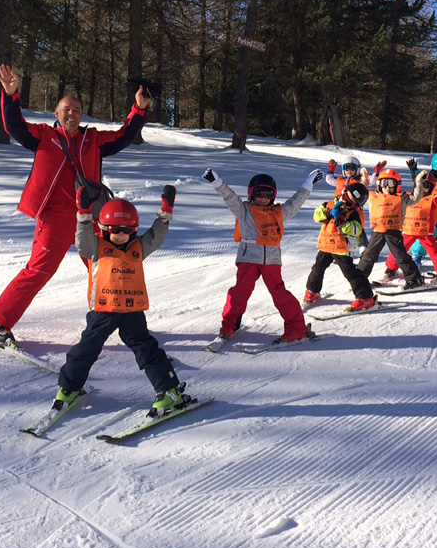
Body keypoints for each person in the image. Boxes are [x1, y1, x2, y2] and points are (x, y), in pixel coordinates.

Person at [0, 64, 149, 348]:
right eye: (65, 110)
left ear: (81, 115)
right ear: (56, 115)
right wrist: (11, 95)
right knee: (38, 269)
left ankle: (108, 317)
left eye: (75, 110)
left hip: (89, 216)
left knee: (103, 267)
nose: (71, 114)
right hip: (54, 217)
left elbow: (124, 137)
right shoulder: (43, 136)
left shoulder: (93, 139)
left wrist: (139, 108)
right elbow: (14, 127)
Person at [51, 190, 191, 416]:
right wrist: (84, 216)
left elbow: (155, 237)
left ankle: (169, 391)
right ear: (105, 229)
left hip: (132, 311)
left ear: (133, 230)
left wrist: (164, 216)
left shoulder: (138, 247)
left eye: (127, 230)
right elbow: (82, 242)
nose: (121, 234)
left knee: (146, 350)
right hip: (103, 310)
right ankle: (69, 388)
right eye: (115, 230)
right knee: (85, 349)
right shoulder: (95, 248)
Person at [203, 167, 324, 345]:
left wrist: (308, 183)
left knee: (280, 294)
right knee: (239, 293)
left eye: (268, 194)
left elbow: (295, 202)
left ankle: (296, 329)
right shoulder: (243, 210)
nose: (264, 198)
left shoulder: (279, 212)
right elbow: (229, 197)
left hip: (272, 261)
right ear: (251, 193)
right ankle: (229, 325)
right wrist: (217, 182)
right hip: (248, 259)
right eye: (259, 193)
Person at [303, 183, 377, 310]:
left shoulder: (355, 213)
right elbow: (316, 216)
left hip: (342, 248)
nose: (352, 201)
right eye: (351, 196)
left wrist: (341, 221)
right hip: (326, 245)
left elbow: (356, 230)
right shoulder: (330, 204)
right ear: (345, 192)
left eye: (356, 200)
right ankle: (312, 291)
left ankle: (365, 297)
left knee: (350, 272)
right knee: (317, 268)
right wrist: (328, 213)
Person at [357, 167, 426, 290]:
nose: (387, 187)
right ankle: (359, 279)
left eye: (391, 184)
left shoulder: (402, 197)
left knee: (400, 256)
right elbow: (361, 192)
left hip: (393, 232)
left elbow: (416, 198)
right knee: (368, 256)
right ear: (379, 185)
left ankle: (415, 279)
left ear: (397, 185)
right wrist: (364, 180)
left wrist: (419, 182)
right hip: (377, 231)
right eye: (384, 184)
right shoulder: (373, 197)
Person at [401, 165, 437, 282]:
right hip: (409, 230)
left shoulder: (431, 199)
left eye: (426, 186)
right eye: (421, 185)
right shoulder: (410, 196)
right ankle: (390, 269)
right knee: (399, 249)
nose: (423, 188)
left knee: (434, 251)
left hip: (425, 231)